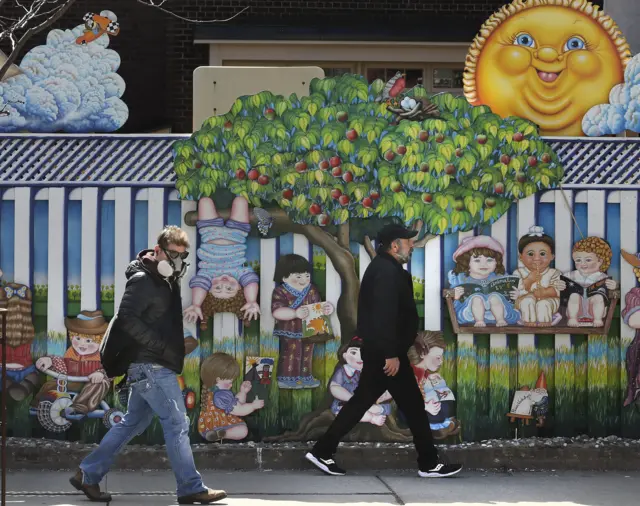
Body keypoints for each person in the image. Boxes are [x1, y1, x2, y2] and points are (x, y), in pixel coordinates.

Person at [69, 226, 226, 504]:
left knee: (133, 423)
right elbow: (127, 318)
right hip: (150, 365)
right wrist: (159, 346)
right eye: (173, 254)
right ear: (158, 251)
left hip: (151, 364)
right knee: (176, 423)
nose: (178, 260)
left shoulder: (164, 280)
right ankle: (190, 487)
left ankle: (88, 474)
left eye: (182, 255)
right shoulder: (143, 279)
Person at [305, 223, 462, 478]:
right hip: (386, 354)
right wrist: (391, 354)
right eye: (408, 241)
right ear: (394, 245)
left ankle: (323, 450)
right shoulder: (387, 272)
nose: (411, 245)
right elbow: (383, 316)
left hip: (384, 351)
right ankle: (429, 462)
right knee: (408, 406)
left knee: (376, 403)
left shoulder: (385, 268)